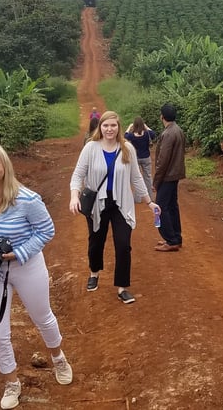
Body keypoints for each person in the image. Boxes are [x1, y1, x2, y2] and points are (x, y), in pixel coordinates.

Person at [0, 141, 73, 409]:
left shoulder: (27, 199)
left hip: (27, 266)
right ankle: (12, 382)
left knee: (42, 317)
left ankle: (57, 357)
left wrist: (18, 252)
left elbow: (46, 231)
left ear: (5, 165)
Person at [69, 111, 159, 304]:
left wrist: (149, 201)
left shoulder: (127, 149)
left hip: (121, 203)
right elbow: (78, 175)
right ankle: (94, 273)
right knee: (96, 242)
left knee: (123, 245)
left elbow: (136, 177)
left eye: (113, 126)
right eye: (106, 126)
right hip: (97, 204)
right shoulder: (90, 148)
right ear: (100, 127)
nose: (109, 129)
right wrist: (74, 196)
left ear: (119, 127)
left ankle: (122, 287)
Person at [153, 103, 186, 252]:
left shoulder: (167, 134)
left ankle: (171, 239)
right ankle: (175, 238)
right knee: (172, 206)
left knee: (160, 207)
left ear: (162, 116)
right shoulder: (178, 130)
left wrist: (156, 181)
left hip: (167, 176)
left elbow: (163, 160)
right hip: (175, 174)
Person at [124, 116, 156, 198]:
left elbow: (125, 136)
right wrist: (146, 126)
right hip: (146, 157)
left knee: (137, 178)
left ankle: (137, 198)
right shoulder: (147, 134)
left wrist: (129, 127)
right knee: (148, 176)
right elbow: (153, 134)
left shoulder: (131, 136)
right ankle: (150, 196)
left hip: (136, 158)